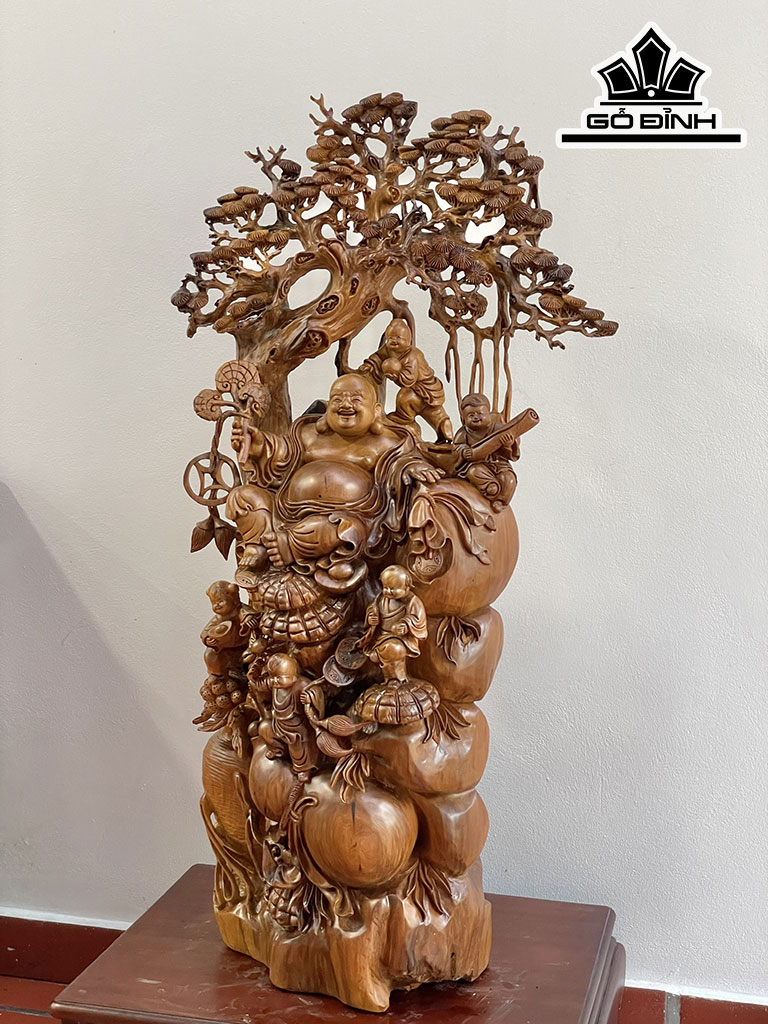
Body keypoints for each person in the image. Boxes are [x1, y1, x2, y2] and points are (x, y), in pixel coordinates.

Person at [225, 373, 442, 577]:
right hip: (287, 512)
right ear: (328, 406)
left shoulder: (388, 442)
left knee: (339, 530)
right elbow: (281, 454)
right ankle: (257, 545)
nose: (346, 404)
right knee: (242, 496)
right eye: (338, 399)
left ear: (376, 410)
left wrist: (412, 467)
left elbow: (402, 463)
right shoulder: (307, 433)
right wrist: (258, 446)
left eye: (356, 399)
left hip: (354, 516)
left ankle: (288, 546)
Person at [358, 319, 453, 441]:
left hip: (423, 390)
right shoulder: (388, 349)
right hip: (414, 391)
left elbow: (409, 378)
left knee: (410, 401)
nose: (394, 341)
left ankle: (408, 419)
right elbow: (377, 357)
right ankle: (439, 424)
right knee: (428, 410)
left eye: (398, 338)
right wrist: (370, 364)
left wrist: (396, 375)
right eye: (390, 337)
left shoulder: (413, 354)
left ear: (408, 340)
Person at [359, 565, 428, 684]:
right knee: (375, 656)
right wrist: (371, 619)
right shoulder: (381, 599)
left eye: (393, 588)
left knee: (393, 650)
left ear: (406, 587)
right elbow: (372, 610)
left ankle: (398, 679)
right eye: (385, 587)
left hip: (401, 639)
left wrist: (405, 625)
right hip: (381, 636)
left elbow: (418, 618)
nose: (388, 591)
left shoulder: (412, 601)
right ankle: (388, 680)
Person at [455, 393, 519, 510]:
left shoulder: (498, 429)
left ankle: (501, 501)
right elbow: (456, 448)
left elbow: (513, 445)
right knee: (474, 472)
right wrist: (464, 451)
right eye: (471, 415)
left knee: (509, 479)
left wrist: (509, 445)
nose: (475, 417)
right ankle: (490, 486)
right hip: (477, 463)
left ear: (489, 414)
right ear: (464, 418)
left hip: (499, 463)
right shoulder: (463, 433)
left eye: (480, 413)